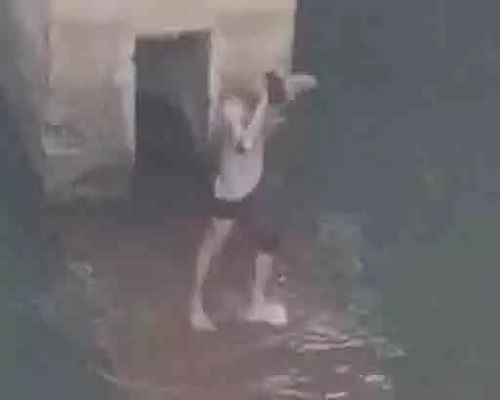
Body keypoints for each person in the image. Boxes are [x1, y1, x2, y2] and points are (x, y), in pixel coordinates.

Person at [189, 71, 317, 331]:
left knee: (268, 241)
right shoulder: (232, 109)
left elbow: (297, 88)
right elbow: (244, 143)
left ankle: (256, 303)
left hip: (252, 188)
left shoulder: (260, 106)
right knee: (214, 244)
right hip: (230, 192)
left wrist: (296, 86)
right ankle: (195, 305)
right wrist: (264, 102)